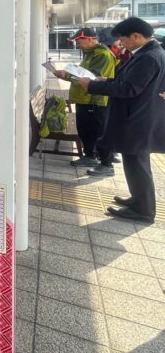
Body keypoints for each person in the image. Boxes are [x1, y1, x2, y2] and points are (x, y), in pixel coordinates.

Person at [77, 17, 165, 223]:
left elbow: (128, 89)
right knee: (135, 162)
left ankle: (143, 210)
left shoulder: (148, 57)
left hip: (137, 119)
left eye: (123, 39)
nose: (120, 43)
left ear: (136, 36)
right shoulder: (152, 53)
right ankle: (138, 200)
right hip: (142, 117)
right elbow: (131, 82)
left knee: (137, 164)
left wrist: (92, 86)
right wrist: (106, 80)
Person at [54, 28, 116, 175]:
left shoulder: (103, 55)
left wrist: (67, 76)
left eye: (79, 41)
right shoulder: (91, 54)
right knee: (86, 131)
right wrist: (67, 75)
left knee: (97, 132)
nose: (77, 44)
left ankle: (106, 165)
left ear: (89, 39)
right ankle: (90, 156)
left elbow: (92, 79)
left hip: (95, 100)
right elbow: (82, 75)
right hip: (85, 99)